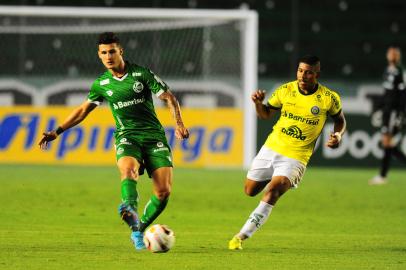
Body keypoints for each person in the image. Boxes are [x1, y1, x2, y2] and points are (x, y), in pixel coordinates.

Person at [38, 32, 189, 250]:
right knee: (128, 170)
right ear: (99, 56)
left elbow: (169, 97)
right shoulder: (101, 84)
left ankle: (138, 227)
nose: (108, 56)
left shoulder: (141, 74)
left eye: (112, 51)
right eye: (104, 53)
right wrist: (58, 131)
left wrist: (179, 124)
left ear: (121, 52)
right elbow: (83, 110)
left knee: (163, 192)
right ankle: (129, 207)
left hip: (154, 136)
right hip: (126, 136)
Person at [228, 55, 346, 250]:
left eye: (308, 72)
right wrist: (258, 103)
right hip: (272, 148)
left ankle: (240, 236)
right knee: (249, 190)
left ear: (316, 74)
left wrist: (338, 135)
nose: (303, 75)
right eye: (300, 71)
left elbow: (340, 120)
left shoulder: (328, 98)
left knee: (273, 191)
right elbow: (266, 114)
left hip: (296, 157)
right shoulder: (285, 90)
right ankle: (276, 177)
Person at [369, 46, 406, 185]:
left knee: (387, 143)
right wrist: (379, 108)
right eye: (391, 53)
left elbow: (403, 94)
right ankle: (382, 176)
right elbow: (386, 93)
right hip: (386, 110)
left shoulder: (400, 72)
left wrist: (401, 112)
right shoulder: (387, 71)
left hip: (393, 112)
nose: (393, 56)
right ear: (387, 56)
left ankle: (382, 176)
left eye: (395, 54)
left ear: (398, 56)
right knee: (388, 144)